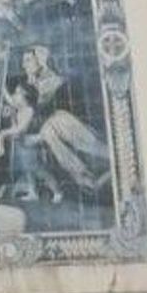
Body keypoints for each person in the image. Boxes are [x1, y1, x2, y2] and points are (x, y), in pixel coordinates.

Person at [19, 46, 110, 197]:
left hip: (72, 125)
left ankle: (87, 174)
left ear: (41, 61)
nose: (24, 65)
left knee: (50, 128)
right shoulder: (35, 83)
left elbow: (37, 108)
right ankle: (82, 177)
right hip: (55, 127)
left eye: (28, 60)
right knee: (46, 131)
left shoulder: (52, 81)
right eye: (23, 61)